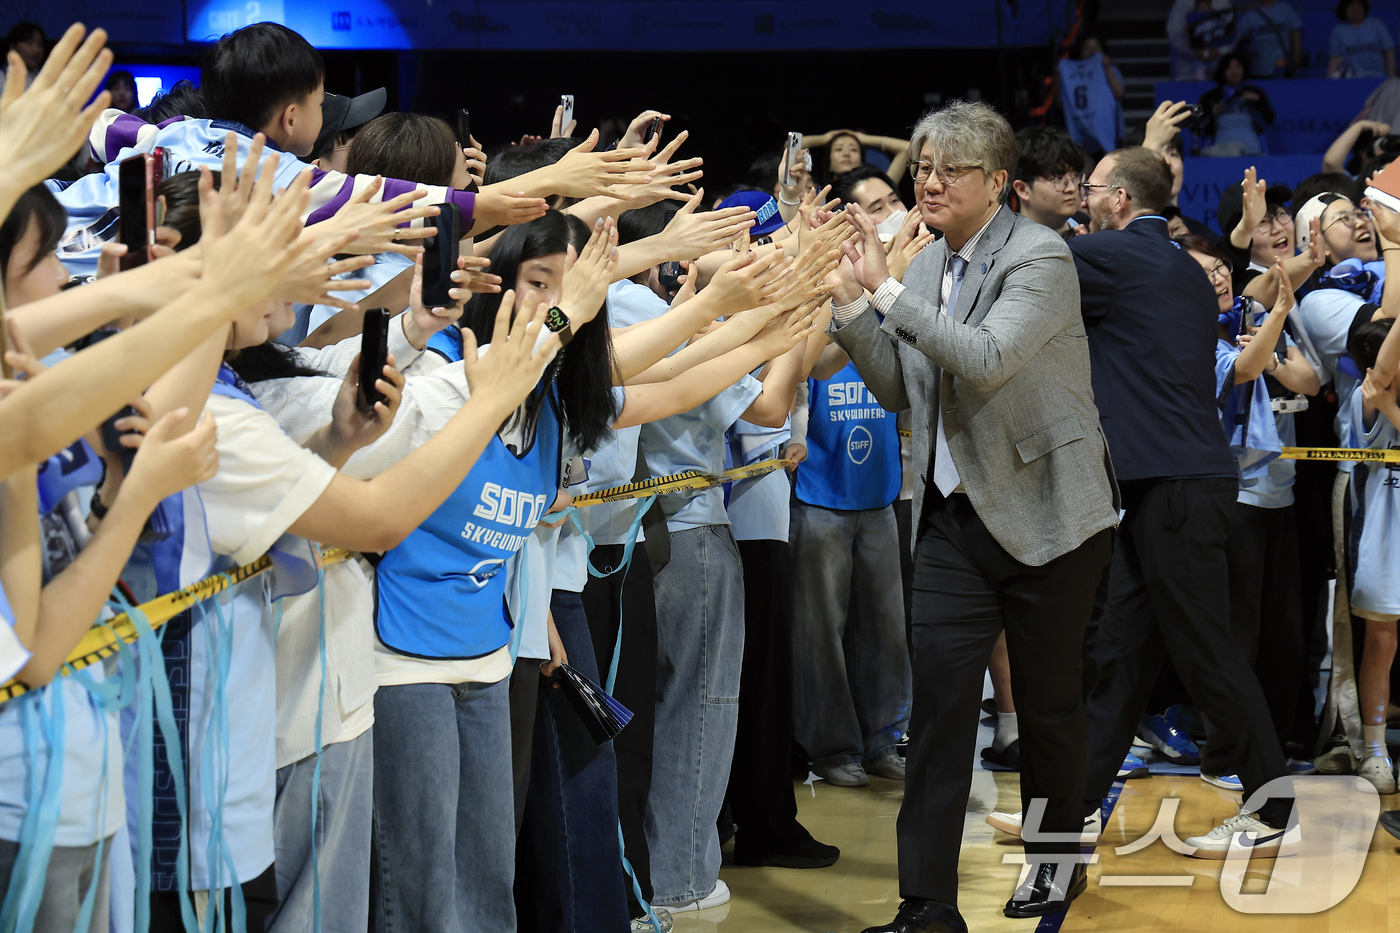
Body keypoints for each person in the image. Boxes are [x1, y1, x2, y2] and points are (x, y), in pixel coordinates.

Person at [828, 99, 1119, 931]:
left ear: (997, 182)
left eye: (947, 169)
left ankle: (1054, 865)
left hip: (1050, 513)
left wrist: (884, 286)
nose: (928, 180)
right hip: (952, 517)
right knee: (940, 708)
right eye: (921, 166)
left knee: (1052, 705)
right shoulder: (924, 268)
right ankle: (927, 903)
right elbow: (901, 386)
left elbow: (986, 359)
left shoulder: (1042, 256)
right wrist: (852, 305)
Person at [1068, 145, 1299, 858]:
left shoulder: (1114, 257)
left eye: (1092, 189)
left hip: (1172, 487)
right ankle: (1074, 807)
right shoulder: (1181, 269)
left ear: (1118, 203)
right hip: (1171, 486)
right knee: (1121, 653)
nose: (1081, 199)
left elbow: (1029, 270)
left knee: (1209, 654)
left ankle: (1270, 805)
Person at [1181, 238, 1321, 789]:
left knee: (1282, 635)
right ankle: (1223, 757)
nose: (1217, 279)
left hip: (1278, 495)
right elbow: (1242, 369)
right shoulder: (1189, 335)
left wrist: (1276, 324)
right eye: (1203, 273)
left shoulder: (1254, 317)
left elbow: (1308, 381)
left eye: (1220, 269)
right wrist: (1277, 324)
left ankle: (1272, 747)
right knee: (1234, 637)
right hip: (1228, 497)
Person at [788, 348, 911, 787]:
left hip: (879, 490)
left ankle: (883, 742)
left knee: (888, 628)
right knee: (820, 634)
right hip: (819, 492)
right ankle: (833, 748)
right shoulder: (817, 312)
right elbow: (795, 392)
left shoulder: (889, 314)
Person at [1342, 318, 1400, 792]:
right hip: (1384, 538)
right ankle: (1375, 751)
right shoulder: (1366, 400)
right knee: (1381, 643)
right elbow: (1381, 373)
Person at [1010, 126, 1087, 240]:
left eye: (1074, 176)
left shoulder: (1088, 226)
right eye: (1058, 179)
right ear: (1022, 189)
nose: (1072, 188)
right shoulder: (1008, 247)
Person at [1057, 36, 1124, 158]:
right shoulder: (1069, 73)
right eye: (1087, 48)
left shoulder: (1109, 69)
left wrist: (1107, 67)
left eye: (1096, 47)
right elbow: (1062, 103)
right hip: (1083, 136)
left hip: (1108, 133)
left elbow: (1119, 93)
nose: (1092, 51)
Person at [1198, 53, 1275, 157]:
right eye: (1229, 67)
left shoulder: (1255, 93)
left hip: (1251, 145)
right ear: (1223, 71)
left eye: (1238, 66)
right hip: (1222, 147)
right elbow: (1197, 125)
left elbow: (1269, 119)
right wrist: (1211, 113)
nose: (1234, 71)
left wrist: (1258, 102)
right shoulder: (1210, 96)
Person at [1235, 0, 1303, 78]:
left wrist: (1297, 56)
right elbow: (1236, 37)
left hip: (1282, 66)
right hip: (1258, 67)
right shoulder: (1250, 14)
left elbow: (1296, 31)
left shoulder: (1285, 9)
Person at [1329, 0, 1395, 78]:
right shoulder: (1338, 30)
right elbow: (1335, 58)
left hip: (1378, 77)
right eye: (1352, 7)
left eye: (1359, 6)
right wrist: (1327, 83)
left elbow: (1389, 52)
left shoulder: (1377, 25)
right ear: (1344, 10)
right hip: (1352, 79)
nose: (1356, 9)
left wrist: (1392, 78)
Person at [0, 22, 44, 97]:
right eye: (29, 44)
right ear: (13, 47)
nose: (36, 50)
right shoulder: (2, 77)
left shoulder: (42, 76)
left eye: (40, 45)